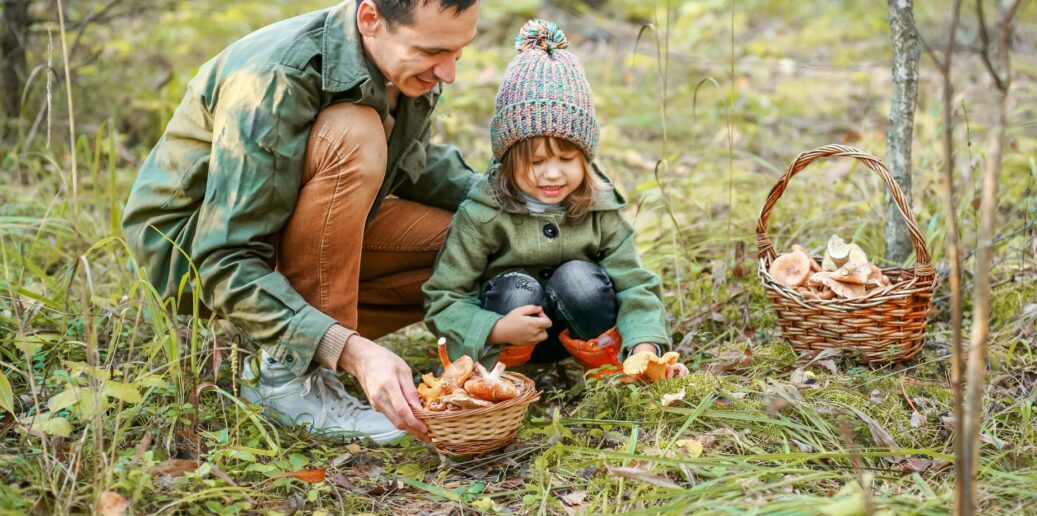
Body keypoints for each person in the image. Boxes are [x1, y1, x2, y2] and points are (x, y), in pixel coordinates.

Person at [121, 0, 482, 444]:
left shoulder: (401, 65)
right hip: (193, 254)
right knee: (352, 132)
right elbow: (223, 255)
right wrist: (353, 354)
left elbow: (413, 165)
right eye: (431, 52)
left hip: (291, 232)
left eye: (459, 52)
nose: (448, 73)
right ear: (370, 18)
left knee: (472, 240)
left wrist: (527, 200)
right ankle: (291, 379)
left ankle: (283, 340)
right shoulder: (274, 77)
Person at [423, 20, 688, 380]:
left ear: (586, 157)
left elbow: (634, 283)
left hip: (581, 328)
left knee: (578, 279)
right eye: (536, 162)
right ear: (508, 158)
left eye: (566, 160)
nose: (552, 174)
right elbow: (445, 297)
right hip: (510, 333)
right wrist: (494, 329)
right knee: (517, 289)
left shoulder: (599, 208)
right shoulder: (483, 214)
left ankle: (610, 366)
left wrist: (645, 346)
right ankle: (504, 377)